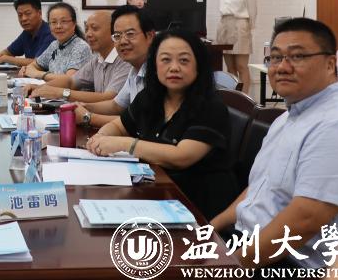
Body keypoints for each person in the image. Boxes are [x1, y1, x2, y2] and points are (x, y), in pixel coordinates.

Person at [210, 18, 338, 269]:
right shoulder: (287, 117)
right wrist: (210, 228)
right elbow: (258, 189)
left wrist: (230, 268)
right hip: (246, 241)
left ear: (331, 64)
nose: (282, 67)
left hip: (287, 262)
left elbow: (305, 220)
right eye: (275, 57)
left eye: (297, 56)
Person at [85, 29, 237, 220]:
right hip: (155, 196)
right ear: (154, 65)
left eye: (184, 60)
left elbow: (182, 156)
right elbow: (118, 126)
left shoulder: (211, 108)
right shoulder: (151, 97)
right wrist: (102, 137)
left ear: (198, 66)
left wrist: (125, 144)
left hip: (197, 209)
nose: (174, 68)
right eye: (165, 60)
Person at [73, 5, 155, 128]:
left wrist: (88, 117)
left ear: (150, 36)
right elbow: (116, 105)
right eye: (117, 36)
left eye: (130, 34)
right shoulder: (134, 69)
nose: (123, 41)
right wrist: (85, 107)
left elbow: (141, 122)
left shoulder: (159, 71)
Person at [26, 10, 132, 103]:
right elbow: (71, 81)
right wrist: (40, 88)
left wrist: (61, 93)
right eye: (86, 29)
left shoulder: (125, 60)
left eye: (94, 29)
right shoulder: (97, 59)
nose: (88, 34)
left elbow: (110, 98)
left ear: (114, 32)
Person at [17, 2, 91, 83]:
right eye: (54, 22)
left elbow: (69, 80)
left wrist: (38, 74)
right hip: (52, 89)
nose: (58, 26)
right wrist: (27, 69)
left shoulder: (81, 47)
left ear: (74, 24)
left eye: (64, 21)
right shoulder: (54, 45)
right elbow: (35, 65)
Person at [215, 0, 256, 93]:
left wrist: (248, 29)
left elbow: (253, 10)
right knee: (230, 67)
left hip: (240, 24)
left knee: (241, 66)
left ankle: (244, 98)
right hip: (224, 25)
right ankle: (233, 97)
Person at [0, 0, 54, 66]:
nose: (23, 19)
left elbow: (38, 62)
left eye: (28, 14)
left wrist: (5, 58)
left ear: (39, 13)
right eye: (20, 15)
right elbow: (8, 52)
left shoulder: (51, 33)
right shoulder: (26, 33)